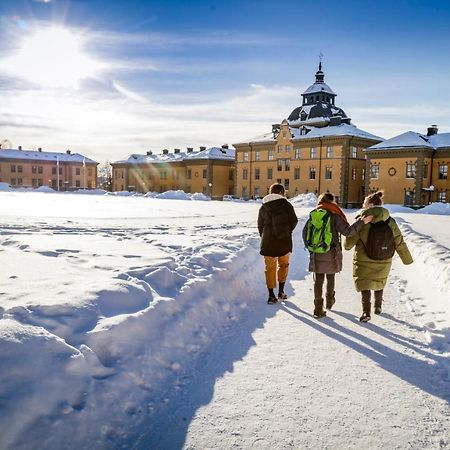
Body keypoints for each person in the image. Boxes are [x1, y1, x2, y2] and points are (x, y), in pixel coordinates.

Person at [344, 191, 413, 322]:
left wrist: (348, 243)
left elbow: (349, 243)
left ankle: (366, 312)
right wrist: (407, 259)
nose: (363, 206)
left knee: (365, 284)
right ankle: (378, 306)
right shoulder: (390, 221)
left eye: (364, 204)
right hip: (384, 258)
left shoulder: (362, 221)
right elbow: (399, 241)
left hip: (363, 260)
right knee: (379, 281)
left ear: (370, 204)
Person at [302, 193, 373, 318]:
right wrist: (362, 222)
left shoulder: (313, 215)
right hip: (331, 252)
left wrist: (312, 248)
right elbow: (348, 231)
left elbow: (305, 233)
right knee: (330, 277)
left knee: (318, 280)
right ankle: (330, 301)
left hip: (316, 252)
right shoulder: (334, 216)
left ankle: (318, 308)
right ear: (331, 202)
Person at [258, 183, 298, 304]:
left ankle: (271, 295)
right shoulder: (286, 205)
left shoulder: (264, 206)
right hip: (284, 240)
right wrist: (286, 231)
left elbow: (260, 225)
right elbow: (294, 221)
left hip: (268, 241)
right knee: (283, 265)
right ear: (282, 192)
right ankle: (281, 291)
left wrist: (264, 236)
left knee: (269, 267)